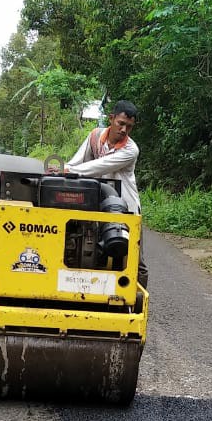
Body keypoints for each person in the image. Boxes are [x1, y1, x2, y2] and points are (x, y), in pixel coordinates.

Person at [65, 100, 147, 286]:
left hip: (125, 209)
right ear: (111, 119)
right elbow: (78, 161)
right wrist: (63, 169)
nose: (124, 130)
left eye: (129, 127)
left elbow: (97, 167)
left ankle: (135, 301)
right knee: (91, 247)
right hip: (98, 204)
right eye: (121, 124)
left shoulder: (130, 150)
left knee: (134, 259)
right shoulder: (95, 136)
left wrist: (70, 171)